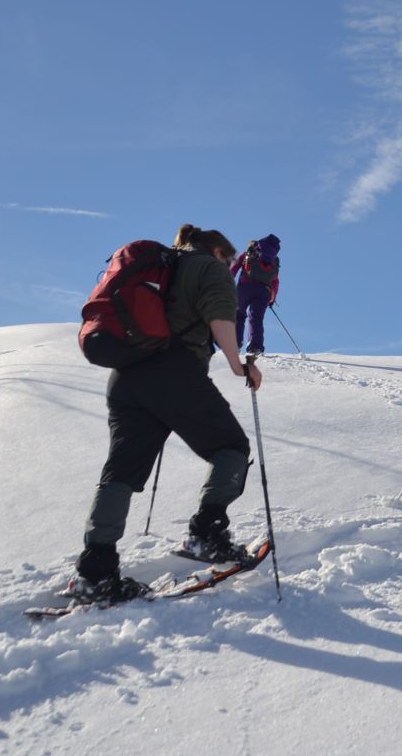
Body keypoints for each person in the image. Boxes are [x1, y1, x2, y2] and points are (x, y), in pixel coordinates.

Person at [68, 224, 265, 602]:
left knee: (121, 470)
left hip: (126, 375)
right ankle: (207, 534)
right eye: (232, 261)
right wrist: (239, 365)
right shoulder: (209, 268)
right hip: (173, 372)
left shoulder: (164, 265)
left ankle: (95, 571)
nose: (233, 269)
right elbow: (221, 320)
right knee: (231, 447)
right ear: (219, 252)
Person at [231, 234, 281, 354]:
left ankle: (235, 344)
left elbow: (234, 268)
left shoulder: (248, 253)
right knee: (256, 318)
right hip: (264, 291)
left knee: (239, 314)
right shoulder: (274, 260)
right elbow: (275, 281)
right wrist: (272, 299)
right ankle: (256, 346)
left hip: (245, 288)